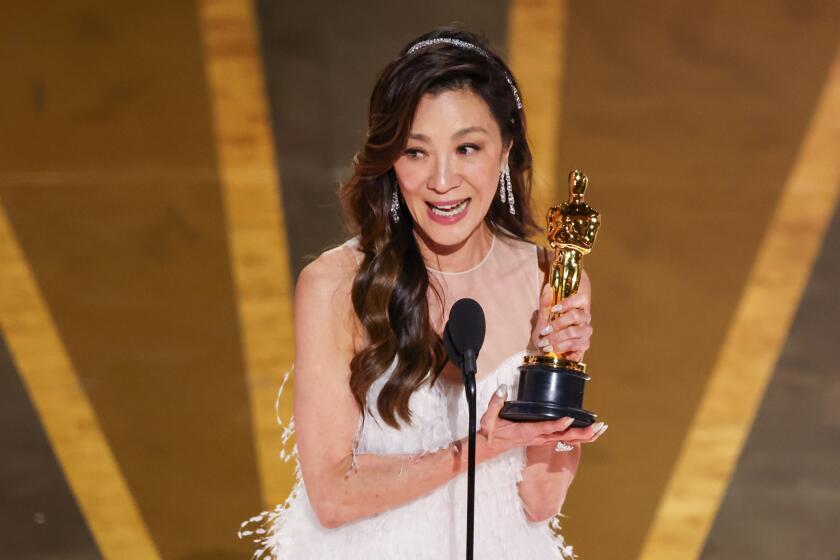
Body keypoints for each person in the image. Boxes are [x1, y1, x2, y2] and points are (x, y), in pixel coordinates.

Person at [240, 26, 608, 559]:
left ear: (504, 150)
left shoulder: (549, 280)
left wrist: (557, 389)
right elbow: (333, 495)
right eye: (416, 152)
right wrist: (480, 449)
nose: (441, 180)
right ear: (390, 160)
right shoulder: (336, 287)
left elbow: (541, 500)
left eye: (467, 148)